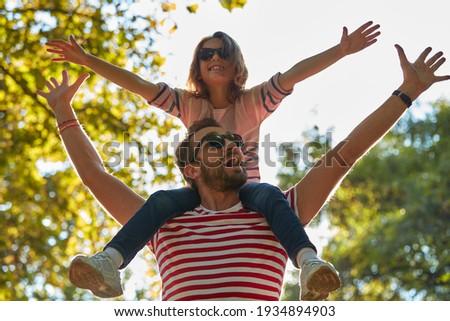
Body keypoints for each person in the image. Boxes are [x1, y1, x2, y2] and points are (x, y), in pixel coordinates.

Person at [38, 43, 449, 300]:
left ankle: (308, 263)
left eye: (236, 143)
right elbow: (96, 175)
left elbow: (347, 152)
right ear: (192, 168)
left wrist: (407, 93)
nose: (234, 148)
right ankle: (110, 262)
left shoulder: (278, 211)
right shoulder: (162, 220)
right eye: (217, 144)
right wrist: (63, 111)